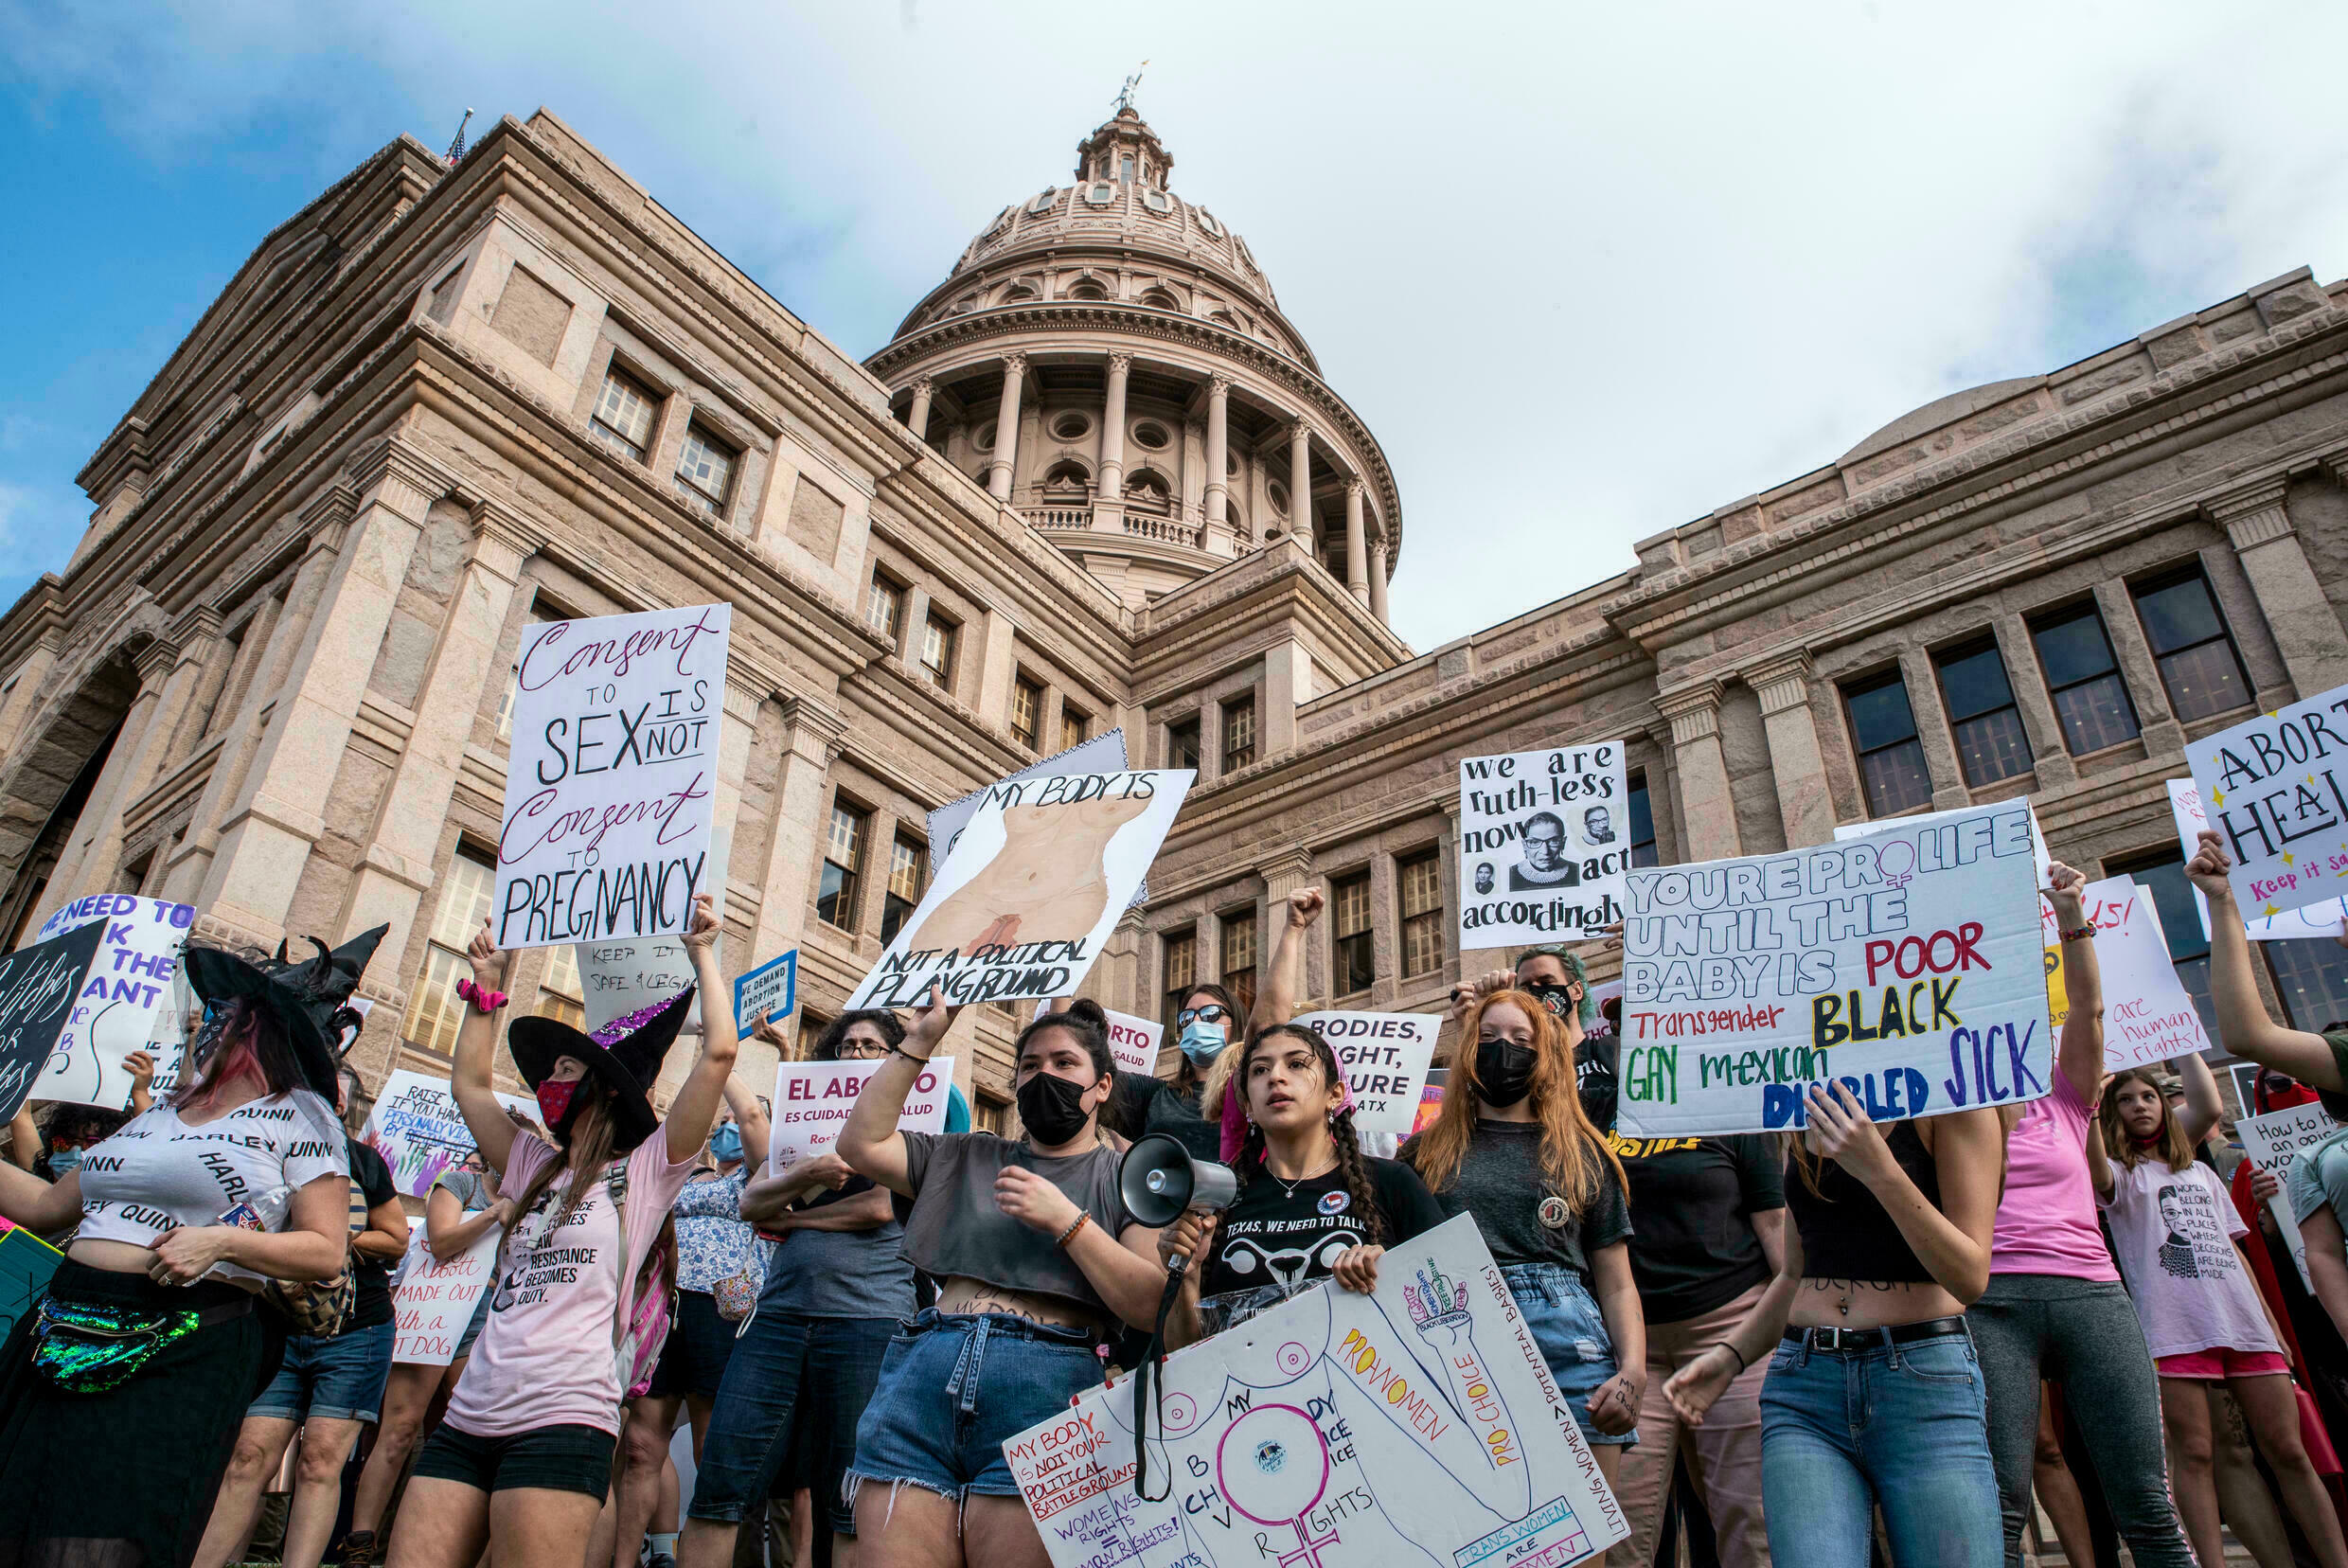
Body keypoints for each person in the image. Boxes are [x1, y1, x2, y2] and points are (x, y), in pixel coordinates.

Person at [0, 927, 383, 1568]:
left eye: (230, 1013)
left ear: (264, 1031)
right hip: (59, 1326)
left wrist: (222, 1240)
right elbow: (45, 1206)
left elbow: (324, 1249)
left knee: (107, 1528)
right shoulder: (156, 1114)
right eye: (215, 1009)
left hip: (182, 1341)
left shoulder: (302, 1116)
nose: (211, 1021)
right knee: (19, 1504)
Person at [385, 892, 737, 1568]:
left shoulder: (644, 1172)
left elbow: (718, 1055)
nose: (550, 1077)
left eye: (566, 1069)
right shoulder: (529, 1162)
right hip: (470, 1414)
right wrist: (487, 991)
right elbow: (470, 1088)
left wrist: (702, 953)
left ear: (603, 1089)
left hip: (564, 1415)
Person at [836, 993, 1170, 1568]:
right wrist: (919, 1041)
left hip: (1044, 1389)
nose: (1046, 1075)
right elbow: (860, 1144)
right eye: (1031, 1065)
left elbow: (1149, 1303)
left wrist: (1069, 1222)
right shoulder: (964, 1154)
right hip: (925, 1373)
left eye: (1065, 1064)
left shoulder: (1129, 1178)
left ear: (1104, 1087)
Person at [1966, 863, 2197, 1568]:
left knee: (2146, 1503)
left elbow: (2090, 1011)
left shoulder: (2069, 1099)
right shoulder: (1955, 1111)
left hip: (2091, 1296)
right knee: (2000, 1503)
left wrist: (2072, 916)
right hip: (1990, 1304)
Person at [2091, 1053, 2348, 1568]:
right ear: (2113, 1114)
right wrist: (2091, 1101)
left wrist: (2271, 1324)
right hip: (2173, 1330)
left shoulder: (2201, 1176)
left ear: (2164, 1107)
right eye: (2126, 1100)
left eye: (2149, 1097)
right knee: (2200, 1455)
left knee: (2290, 1451)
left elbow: (2235, 1251)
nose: (2140, 1106)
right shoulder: (2118, 1177)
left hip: (2245, 1325)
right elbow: (2093, 1157)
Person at [682, 1010, 917, 1568]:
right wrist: (807, 1175)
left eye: (872, 1047)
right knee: (719, 1486)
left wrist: (796, 1220)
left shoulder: (912, 1124)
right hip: (779, 1319)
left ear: (897, 1059)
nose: (856, 1055)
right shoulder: (803, 1129)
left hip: (869, 1321)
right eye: (848, 1045)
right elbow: (751, 1203)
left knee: (849, 1501)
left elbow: (882, 1207)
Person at [1402, 987, 1644, 1527]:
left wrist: (1633, 1370)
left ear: (1547, 1055)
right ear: (1466, 1052)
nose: (1501, 1050)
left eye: (1520, 1039)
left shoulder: (1583, 1152)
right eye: (1486, 1038)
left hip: (1570, 1346)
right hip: (1456, 1348)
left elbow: (1618, 1282)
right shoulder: (1421, 1155)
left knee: (1584, 1538)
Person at [1763, 1076, 2005, 1565]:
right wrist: (1727, 1358)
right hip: (1805, 1385)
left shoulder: (1957, 1097)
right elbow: (1794, 1271)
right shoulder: (1804, 1105)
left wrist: (1879, 1168)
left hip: (1922, 1382)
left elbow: (1970, 1277)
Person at [192, 1062, 410, 1568]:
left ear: (339, 1104)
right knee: (247, 1459)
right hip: (279, 1327)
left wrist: (325, 1241)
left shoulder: (361, 1160)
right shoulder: (257, 1154)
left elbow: (397, 1238)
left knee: (319, 1463)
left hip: (357, 1329)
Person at [1606, 1084, 1795, 1567]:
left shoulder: (1727, 1104)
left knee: (1751, 1522)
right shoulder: (1601, 1107)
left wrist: (1793, 1327)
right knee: (1618, 1531)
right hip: (1632, 1347)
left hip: (1733, 1332)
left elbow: (1774, 1223)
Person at [1165, 1021, 1445, 1343]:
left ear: (1334, 1094)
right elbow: (1182, 1353)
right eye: (1259, 1070)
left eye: (1296, 1064)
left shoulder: (1392, 1181)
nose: (1276, 1077)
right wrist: (1186, 1278)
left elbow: (1453, 1287)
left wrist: (1395, 1273)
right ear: (1247, 1105)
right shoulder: (1221, 1200)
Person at [614, 1077, 772, 1568]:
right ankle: (622, 1561)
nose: (726, 1127)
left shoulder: (758, 1176)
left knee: (712, 1452)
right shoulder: (682, 1177)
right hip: (661, 1308)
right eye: (718, 1123)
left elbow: (750, 1119)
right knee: (641, 1448)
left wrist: (718, 1064)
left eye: (733, 1122)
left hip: (718, 1314)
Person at [342, 1149, 520, 1567]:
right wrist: (494, 1214)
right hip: (434, 1310)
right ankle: (359, 1546)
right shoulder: (461, 1183)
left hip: (486, 1316)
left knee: (468, 1433)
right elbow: (440, 1242)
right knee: (399, 1430)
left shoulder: (536, 1201)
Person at [1511, 811, 1579, 890]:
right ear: (1525, 845)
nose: (1545, 851)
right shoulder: (1511, 875)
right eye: (1534, 842)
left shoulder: (1578, 871)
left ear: (1563, 843)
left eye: (1553, 841)